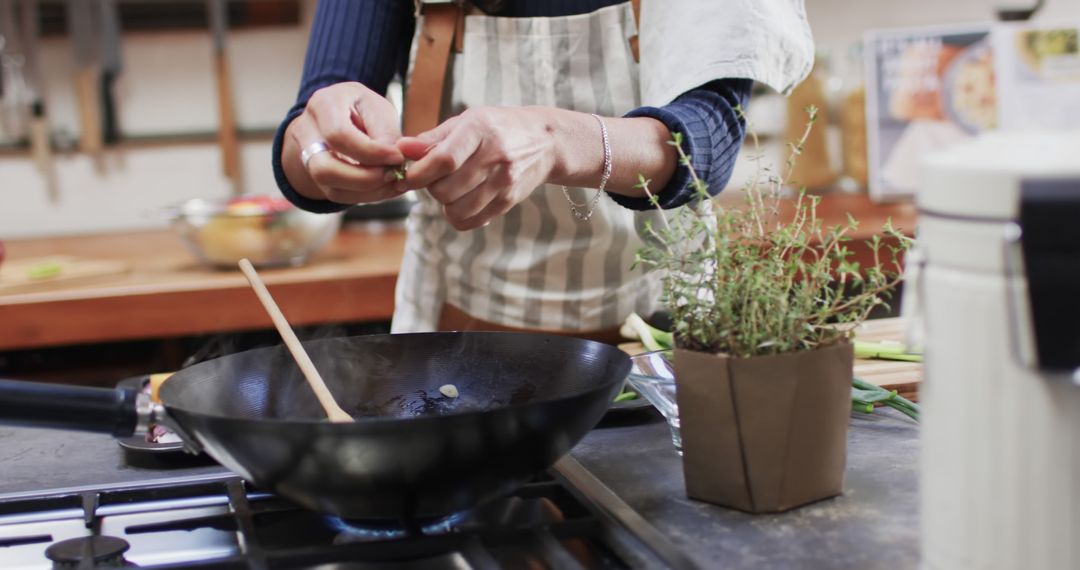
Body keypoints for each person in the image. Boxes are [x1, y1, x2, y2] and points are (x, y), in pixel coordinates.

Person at [273, 0, 814, 342]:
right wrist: (319, 143)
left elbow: (709, 142)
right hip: (457, 333)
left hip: (662, 337)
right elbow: (305, 144)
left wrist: (554, 140)